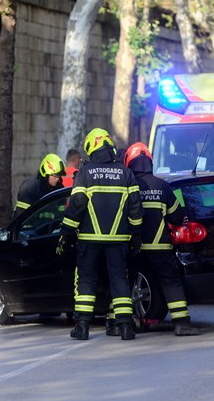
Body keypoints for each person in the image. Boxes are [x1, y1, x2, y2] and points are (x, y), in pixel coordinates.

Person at [57, 128, 143, 341]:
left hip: (89, 239)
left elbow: (76, 205)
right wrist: (136, 236)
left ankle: (82, 327)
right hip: (119, 240)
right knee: (119, 280)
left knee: (86, 281)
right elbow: (136, 210)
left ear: (90, 148)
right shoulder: (126, 173)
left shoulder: (85, 173)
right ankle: (125, 327)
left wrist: (66, 233)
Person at [122, 142, 200, 336]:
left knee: (126, 282)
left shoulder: (126, 187)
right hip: (160, 248)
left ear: (129, 164)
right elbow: (177, 216)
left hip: (133, 247)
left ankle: (122, 324)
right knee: (171, 282)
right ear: (149, 162)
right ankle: (181, 324)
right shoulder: (162, 186)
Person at [13, 153, 66, 219]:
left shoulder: (59, 189)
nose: (57, 179)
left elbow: (60, 216)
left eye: (59, 176)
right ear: (45, 173)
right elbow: (22, 217)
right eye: (54, 176)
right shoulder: (29, 188)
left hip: (51, 228)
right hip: (31, 228)